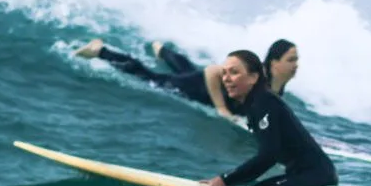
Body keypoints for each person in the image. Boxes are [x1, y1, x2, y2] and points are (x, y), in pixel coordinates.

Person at [201, 50, 337, 186]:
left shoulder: (264, 102)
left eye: (234, 72)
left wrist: (225, 179)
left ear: (253, 77)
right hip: (307, 174)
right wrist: (229, 180)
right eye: (224, 73)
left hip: (316, 176)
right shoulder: (256, 102)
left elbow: (269, 156)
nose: (226, 79)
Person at [73, 37, 302, 119]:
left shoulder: (277, 87)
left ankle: (161, 50)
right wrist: (222, 109)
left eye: (296, 59)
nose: (296, 65)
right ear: (274, 62)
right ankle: (100, 50)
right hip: (201, 88)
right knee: (153, 79)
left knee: (186, 69)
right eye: (291, 60)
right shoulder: (257, 77)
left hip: (203, 85)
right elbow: (213, 71)